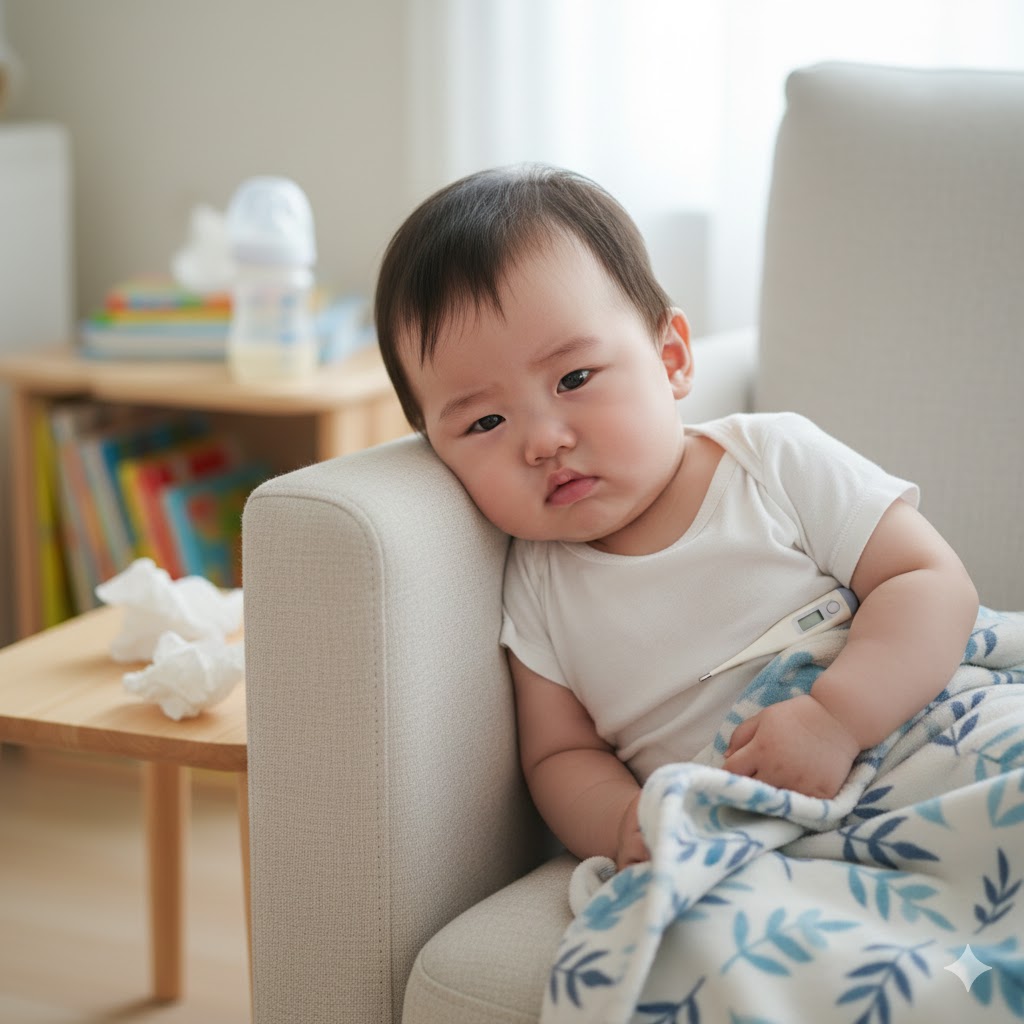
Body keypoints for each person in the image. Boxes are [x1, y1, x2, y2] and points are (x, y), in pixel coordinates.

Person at [373, 164, 979, 871]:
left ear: (671, 358)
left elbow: (931, 581)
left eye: (574, 379)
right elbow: (561, 753)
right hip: (752, 832)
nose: (542, 441)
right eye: (484, 422)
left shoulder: (769, 460)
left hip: (910, 728)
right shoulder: (537, 585)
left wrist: (836, 717)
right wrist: (623, 822)